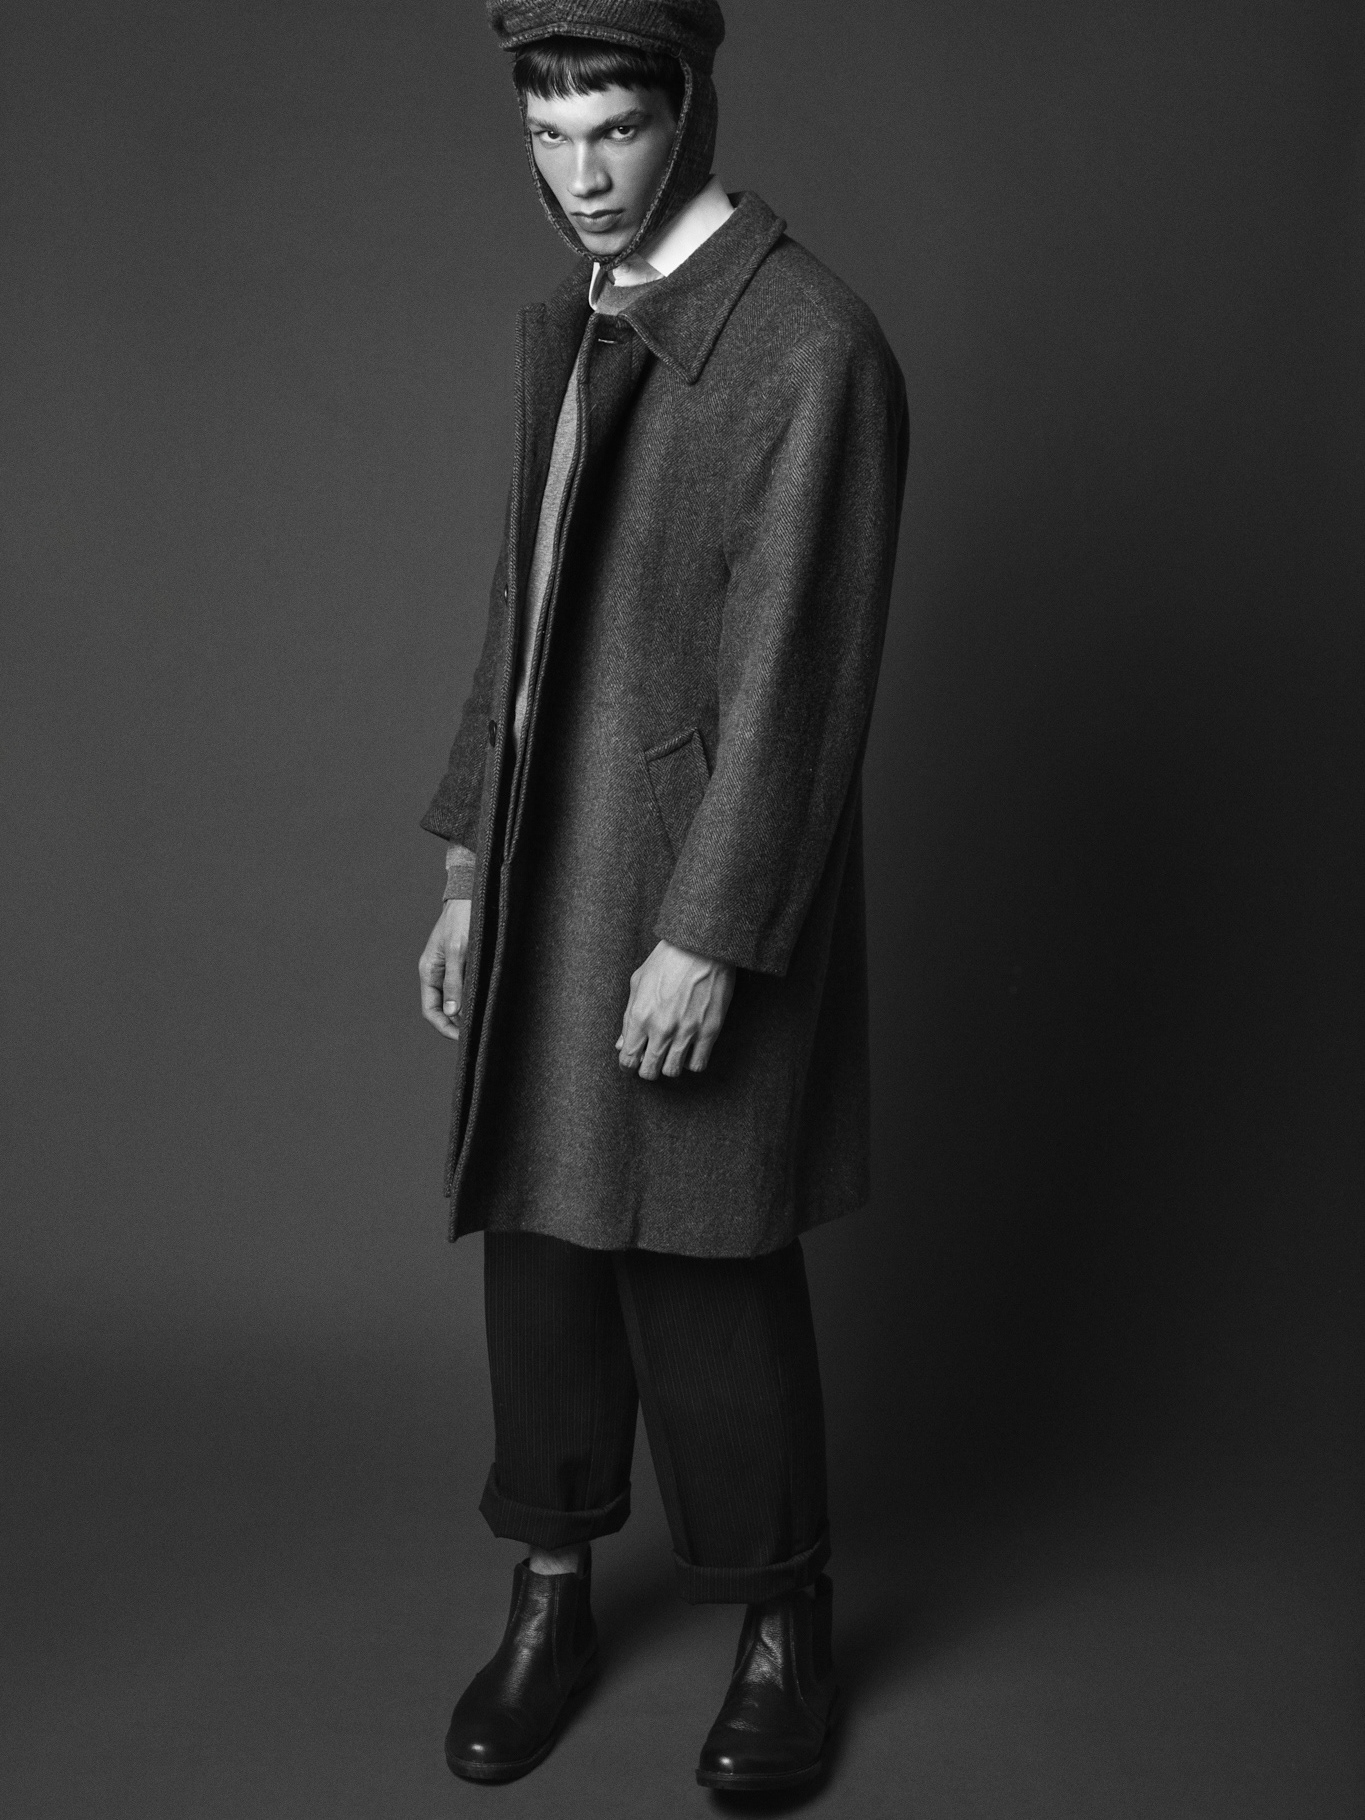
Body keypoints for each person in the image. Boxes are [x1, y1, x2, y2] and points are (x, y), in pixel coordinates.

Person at [417, 0, 907, 1791]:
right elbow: (519, 611)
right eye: (547, 135)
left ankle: (782, 1620)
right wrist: (469, 864)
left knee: (705, 1255)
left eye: (613, 127)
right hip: (547, 870)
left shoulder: (806, 342)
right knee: (540, 1241)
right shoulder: (574, 315)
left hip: (688, 885)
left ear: (687, 107)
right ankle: (549, 1592)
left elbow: (801, 675)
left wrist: (708, 931)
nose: (581, 176)